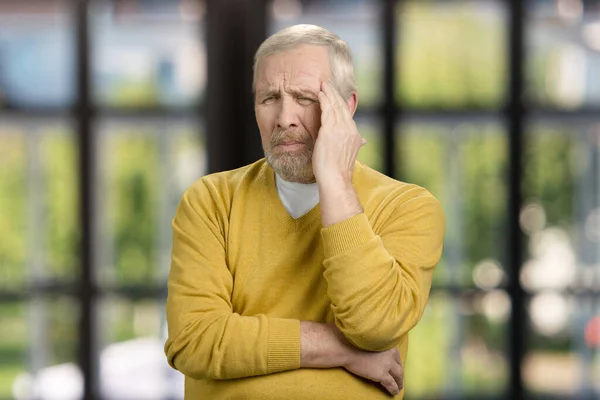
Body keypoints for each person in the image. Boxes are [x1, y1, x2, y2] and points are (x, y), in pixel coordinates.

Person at [164, 24, 445, 399]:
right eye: (269, 98)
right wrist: (342, 350)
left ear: (346, 108)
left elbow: (376, 328)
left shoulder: (408, 208)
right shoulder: (211, 201)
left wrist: (336, 184)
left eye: (305, 97)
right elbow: (194, 340)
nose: (284, 118)